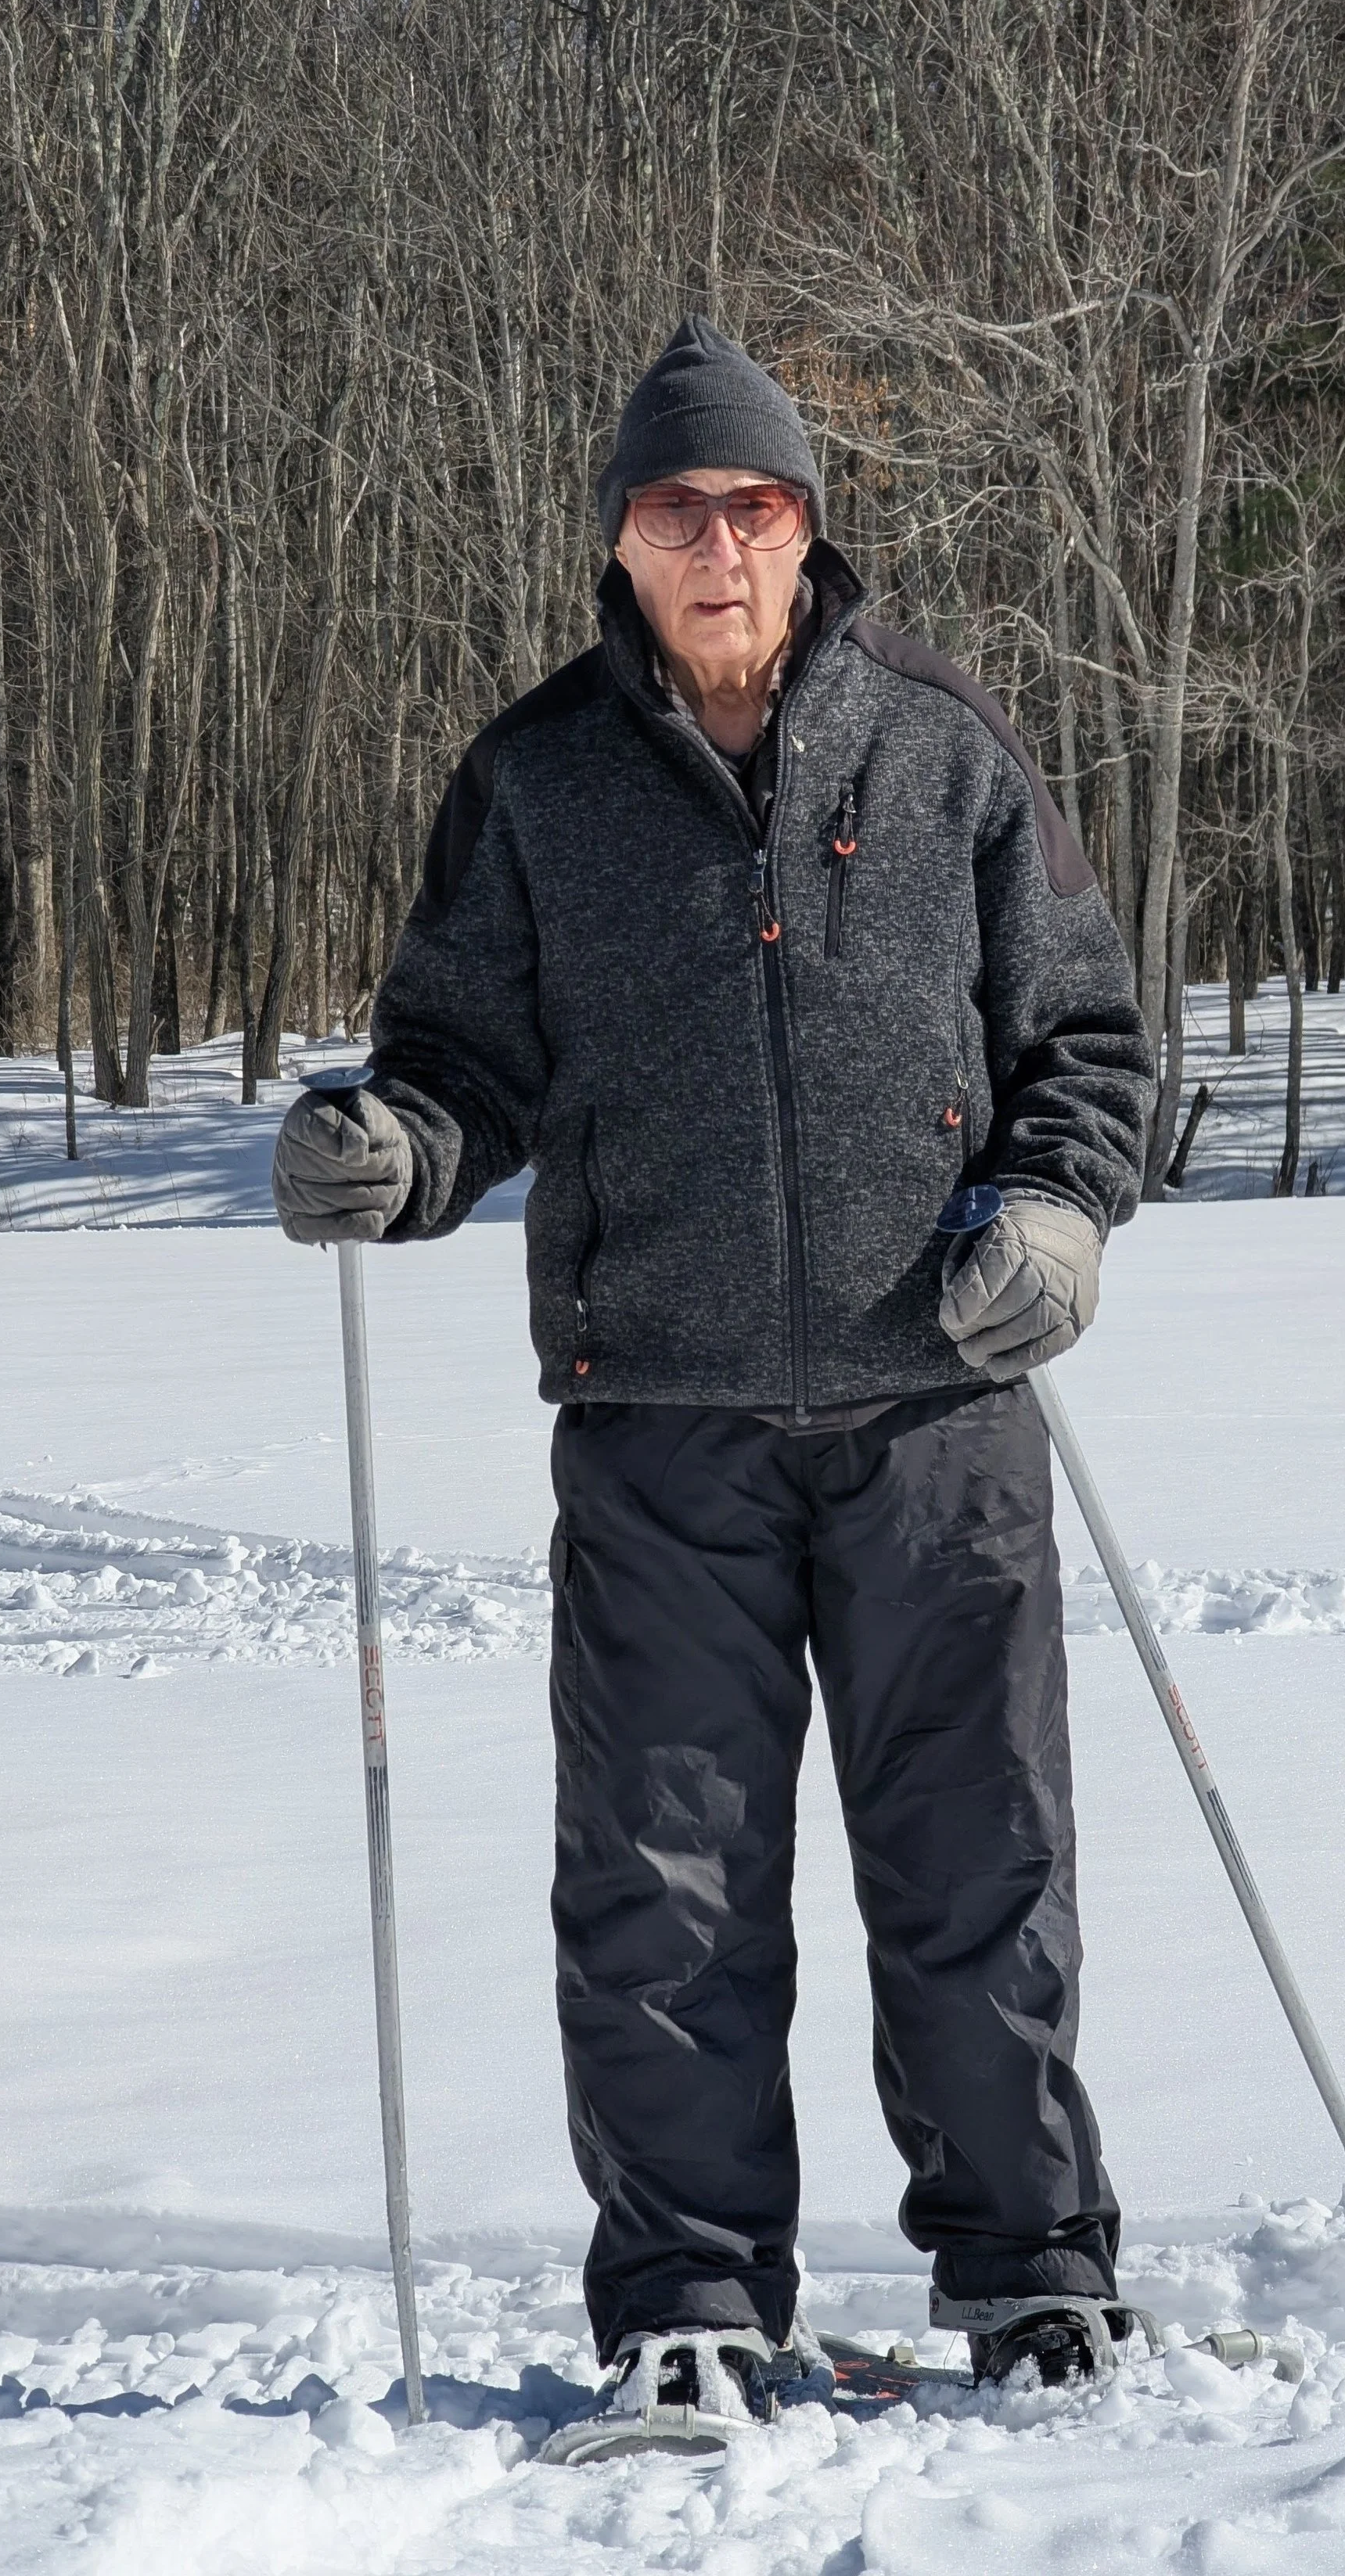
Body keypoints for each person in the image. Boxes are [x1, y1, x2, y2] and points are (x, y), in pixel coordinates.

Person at [272, 317, 1155, 2427]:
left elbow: (1086, 1043)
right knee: (660, 1890)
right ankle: (688, 2300)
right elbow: (466, 1064)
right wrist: (399, 1153)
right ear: (624, 543)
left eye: (753, 508)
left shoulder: (940, 744)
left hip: (933, 1411)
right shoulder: (538, 776)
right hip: (660, 1419)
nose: (720, 544)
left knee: (977, 1861)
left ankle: (1031, 2280)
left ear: (805, 531)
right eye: (679, 512)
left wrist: (1052, 1217)